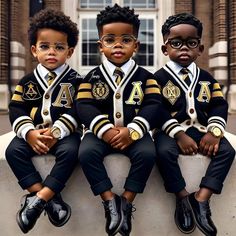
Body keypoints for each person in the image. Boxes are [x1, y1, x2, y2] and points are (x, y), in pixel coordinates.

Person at [75, 4, 161, 236]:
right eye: (110, 39)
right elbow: (84, 106)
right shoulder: (90, 77)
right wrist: (104, 130)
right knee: (85, 153)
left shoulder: (146, 77)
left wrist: (133, 130)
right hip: (100, 134)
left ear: (136, 45)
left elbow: (154, 105)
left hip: (136, 134)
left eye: (126, 39)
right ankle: (109, 200)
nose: (118, 45)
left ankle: (127, 200)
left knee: (148, 154)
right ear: (100, 46)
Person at [153, 12, 235, 236]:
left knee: (227, 151)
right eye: (176, 43)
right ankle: (182, 198)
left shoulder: (207, 78)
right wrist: (179, 134)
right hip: (169, 132)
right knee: (162, 152)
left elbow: (219, 104)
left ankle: (200, 199)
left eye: (191, 43)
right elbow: (156, 109)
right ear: (165, 49)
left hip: (201, 130)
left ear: (200, 48)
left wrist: (215, 132)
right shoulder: (157, 79)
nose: (184, 49)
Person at [5, 8, 82, 234]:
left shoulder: (77, 81)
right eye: (45, 46)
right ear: (34, 50)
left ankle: (37, 200)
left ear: (69, 52)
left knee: (73, 152)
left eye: (59, 47)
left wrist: (57, 132)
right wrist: (29, 133)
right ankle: (49, 199)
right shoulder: (27, 81)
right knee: (13, 151)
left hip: (65, 135)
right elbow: (17, 108)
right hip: (33, 134)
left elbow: (79, 110)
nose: (52, 52)